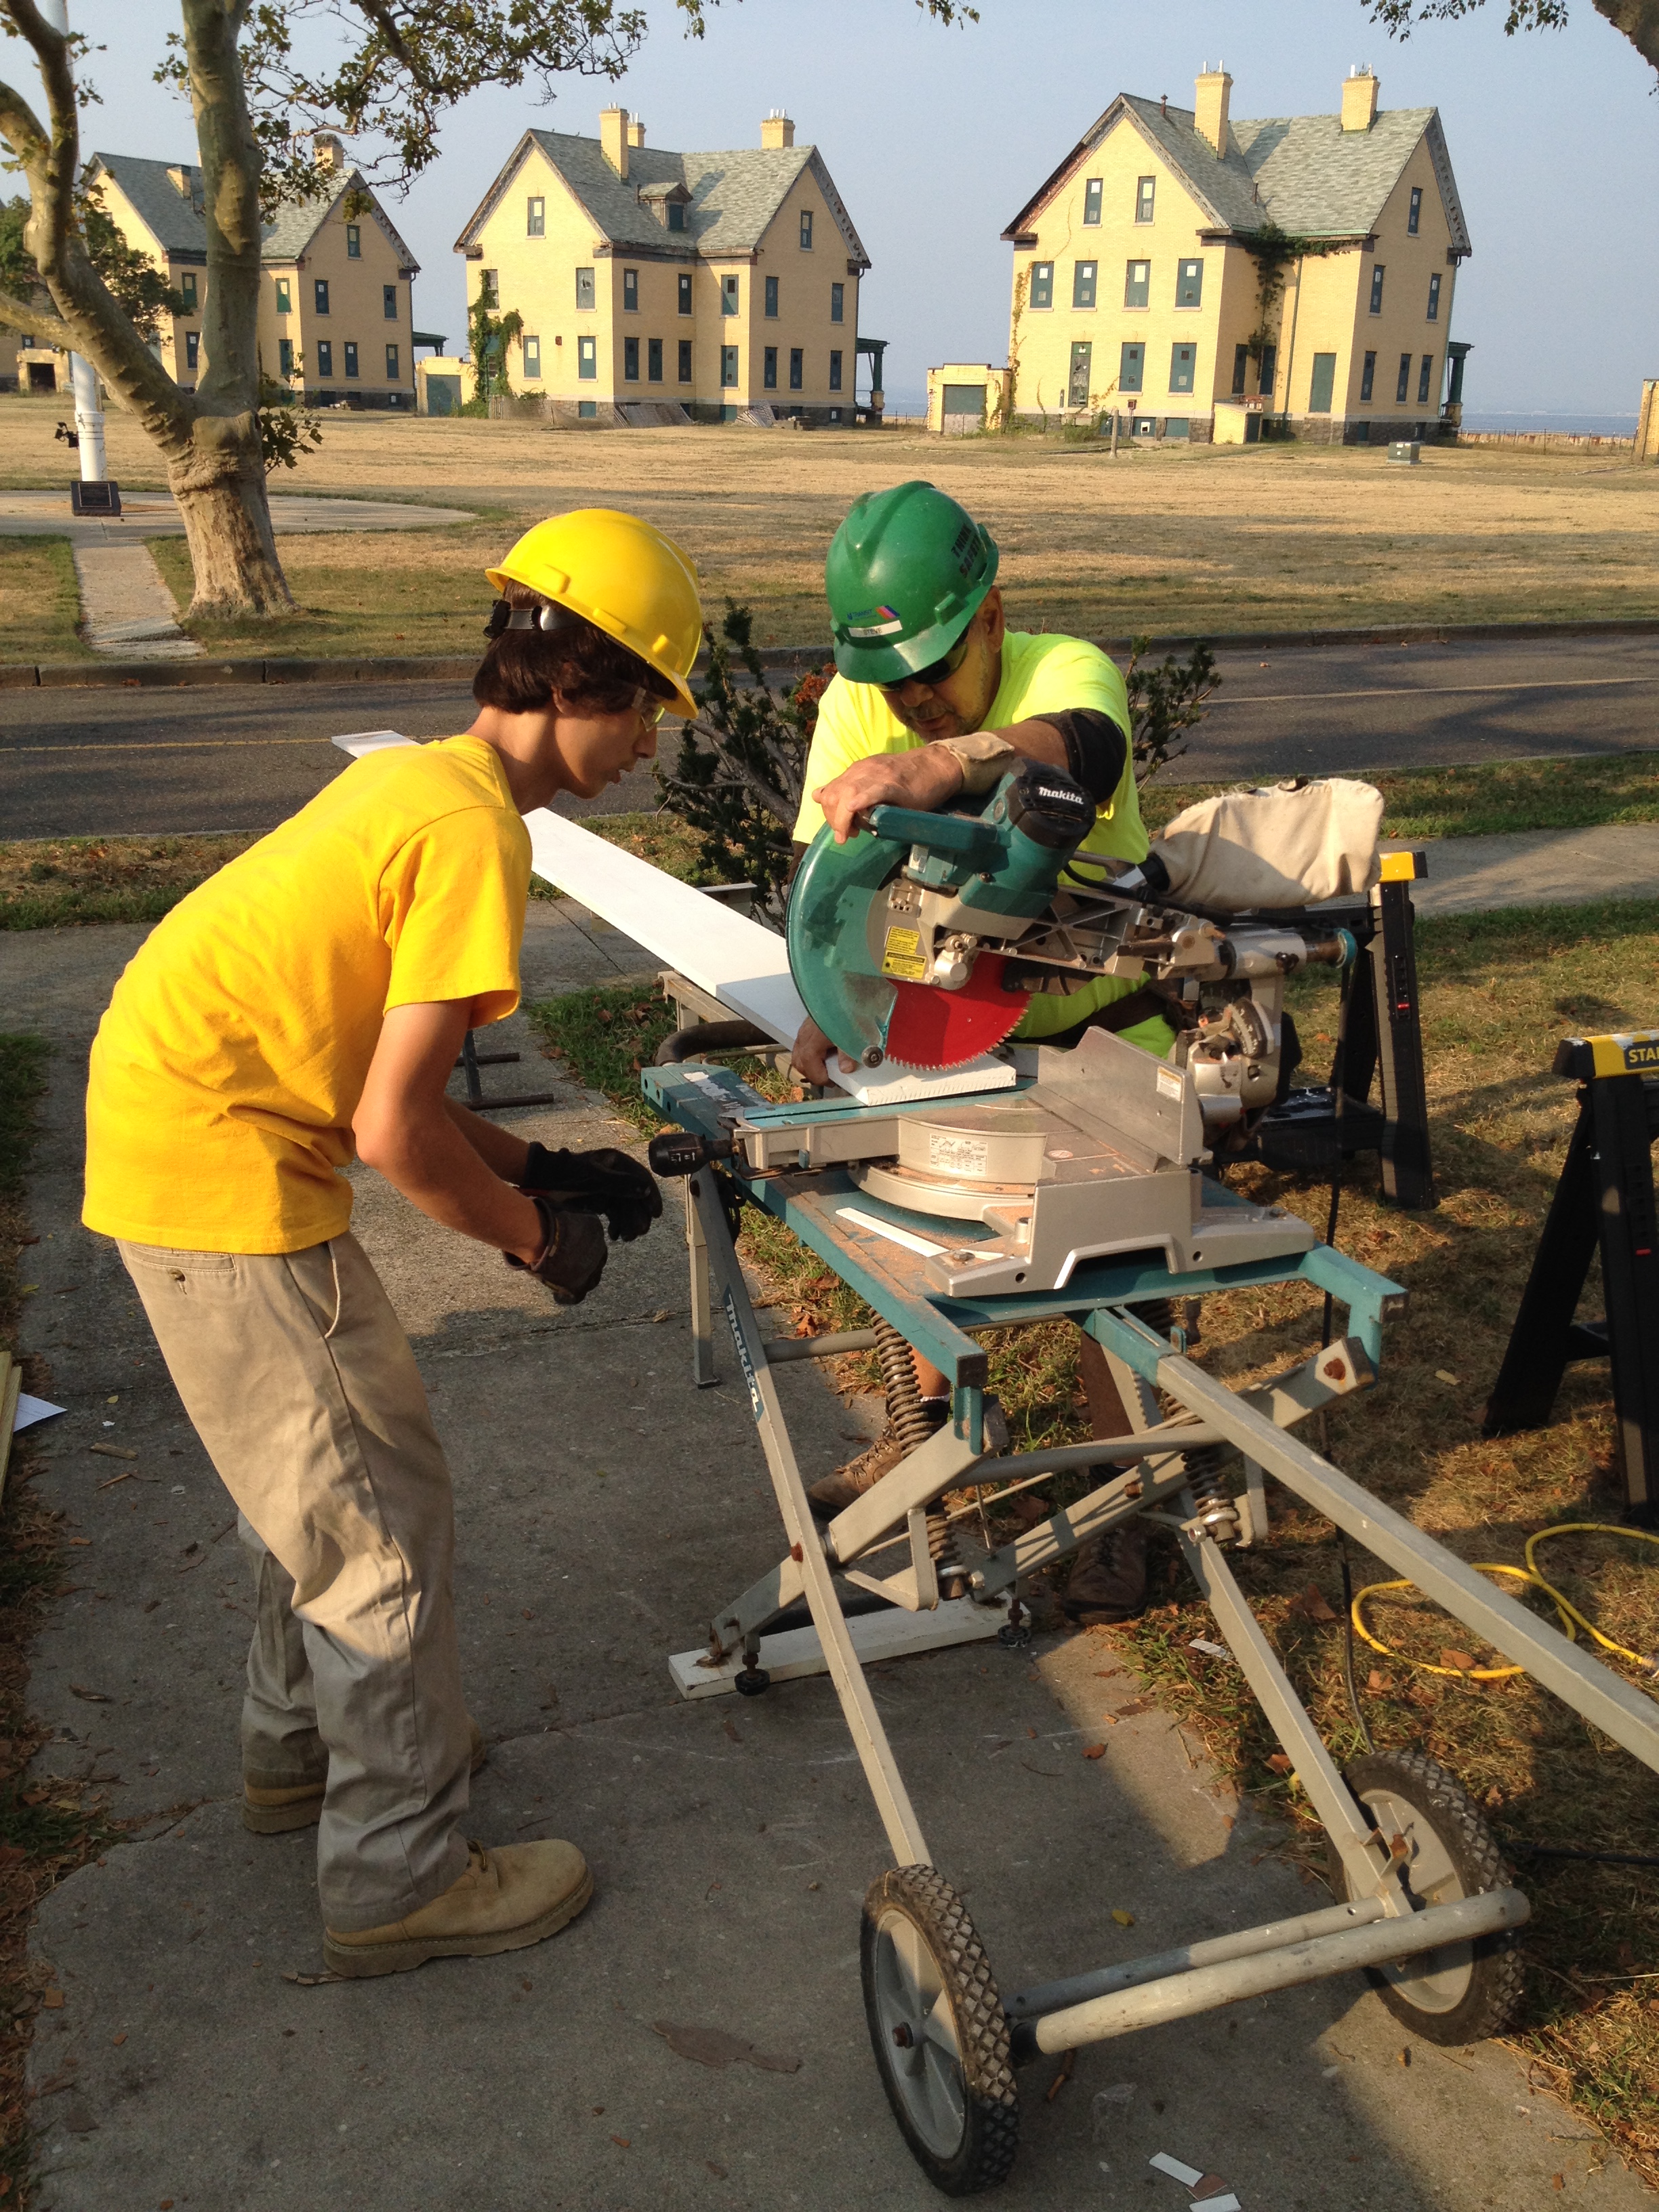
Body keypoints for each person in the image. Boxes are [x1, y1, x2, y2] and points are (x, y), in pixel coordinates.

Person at [81, 510, 700, 1976]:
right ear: (587, 688)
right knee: (375, 1518)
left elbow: (380, 1081)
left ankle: (299, 1754)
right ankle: (398, 1874)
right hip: (219, 1170)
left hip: (192, 1135)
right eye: (651, 716)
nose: (647, 754)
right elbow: (397, 1137)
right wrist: (532, 1239)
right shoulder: (476, 833)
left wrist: (544, 1161)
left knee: (309, 1490)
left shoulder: (428, 787)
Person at [790, 483, 1163, 1620]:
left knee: (1124, 1283)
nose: (910, 707)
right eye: (891, 687)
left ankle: (1131, 1502)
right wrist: (826, 997)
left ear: (993, 615)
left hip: (1098, 1029)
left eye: (932, 676)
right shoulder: (864, 709)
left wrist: (945, 767)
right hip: (942, 1031)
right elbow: (825, 885)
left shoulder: (1065, 670)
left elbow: (1082, 751)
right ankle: (936, 1442)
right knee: (896, 1230)